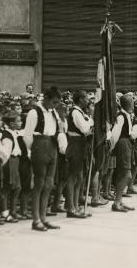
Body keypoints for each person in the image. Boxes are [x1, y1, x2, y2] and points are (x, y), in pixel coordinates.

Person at [23, 86, 62, 231]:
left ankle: (44, 217)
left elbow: (57, 130)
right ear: (46, 99)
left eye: (57, 103)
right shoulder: (34, 112)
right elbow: (27, 136)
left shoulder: (53, 113)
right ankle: (36, 219)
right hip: (39, 146)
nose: (55, 105)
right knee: (39, 185)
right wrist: (35, 151)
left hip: (52, 146)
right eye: (54, 102)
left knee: (48, 185)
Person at [65, 90, 93, 218]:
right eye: (86, 98)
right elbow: (85, 129)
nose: (88, 100)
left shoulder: (81, 113)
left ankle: (76, 206)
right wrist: (91, 121)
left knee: (80, 178)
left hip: (81, 145)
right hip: (75, 144)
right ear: (80, 99)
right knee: (73, 177)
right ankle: (71, 208)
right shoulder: (75, 112)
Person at [109, 93, 137, 212]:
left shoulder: (127, 115)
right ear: (129, 105)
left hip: (127, 143)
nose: (133, 106)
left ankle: (119, 201)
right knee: (127, 175)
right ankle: (116, 202)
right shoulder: (121, 117)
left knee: (122, 173)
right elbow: (115, 134)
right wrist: (111, 148)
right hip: (122, 144)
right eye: (132, 103)